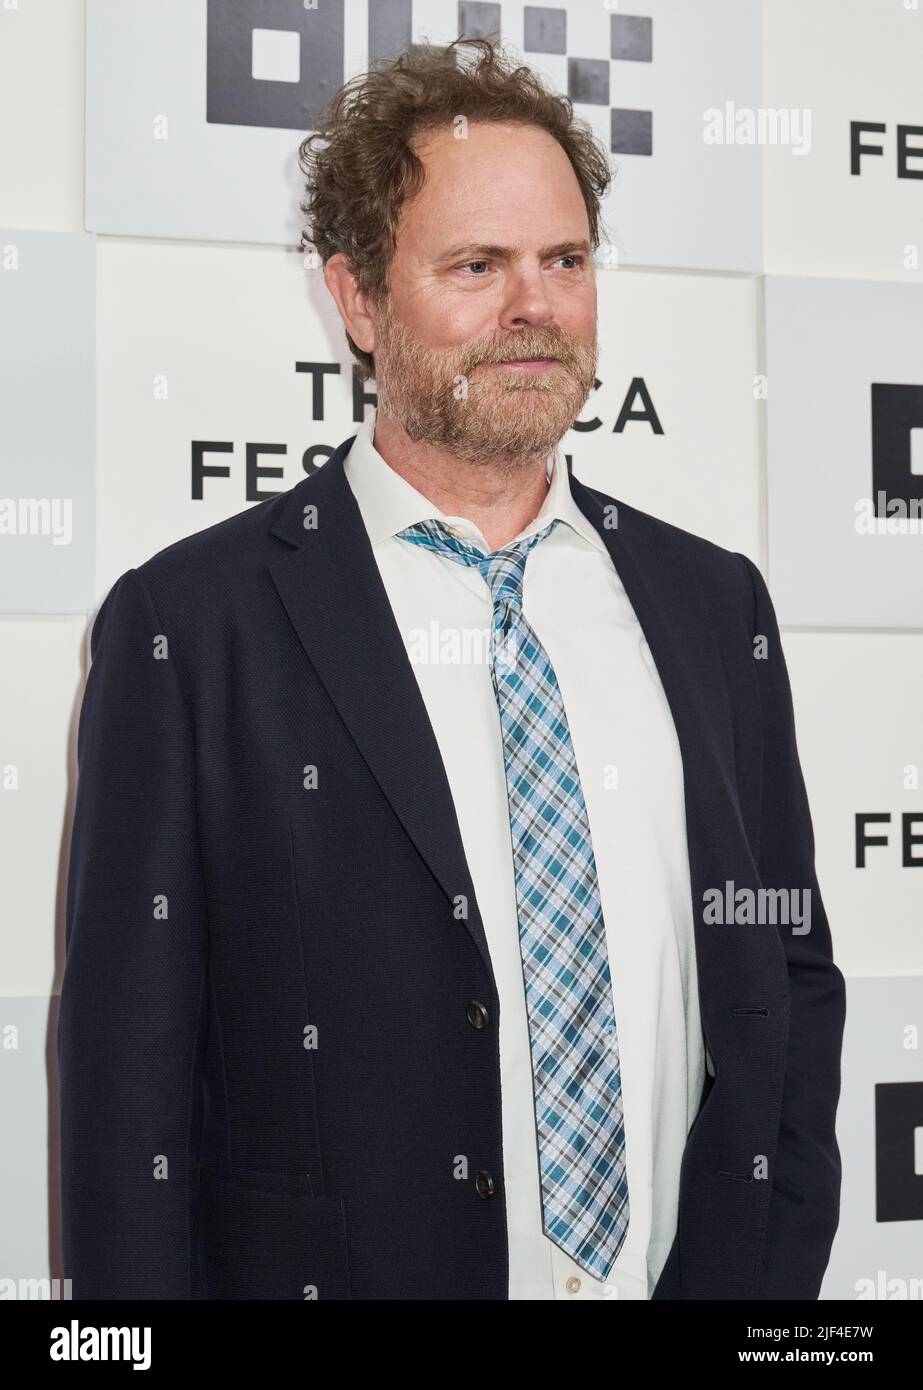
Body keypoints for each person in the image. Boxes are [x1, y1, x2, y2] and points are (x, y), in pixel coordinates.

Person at [58, 37, 845, 1300]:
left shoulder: (712, 609)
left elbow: (784, 988)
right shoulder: (191, 627)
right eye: (476, 266)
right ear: (358, 299)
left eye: (564, 262)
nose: (533, 307)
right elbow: (125, 1084)